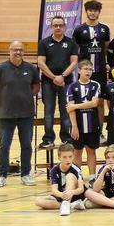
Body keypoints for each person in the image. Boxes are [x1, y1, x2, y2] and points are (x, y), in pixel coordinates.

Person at [0, 41, 41, 187]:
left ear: (24, 52)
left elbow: (36, 87)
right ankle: (2, 175)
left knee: (26, 145)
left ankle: (25, 174)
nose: (18, 52)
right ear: (9, 51)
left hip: (26, 114)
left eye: (20, 50)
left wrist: (24, 96)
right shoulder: (0, 69)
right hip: (5, 114)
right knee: (4, 145)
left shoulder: (30, 69)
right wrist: (4, 99)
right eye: (15, 49)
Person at [36, 16, 79, 149]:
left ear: (65, 26)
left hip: (66, 82)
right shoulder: (44, 43)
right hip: (48, 82)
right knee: (48, 110)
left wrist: (62, 76)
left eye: (61, 25)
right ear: (51, 27)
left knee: (65, 110)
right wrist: (54, 77)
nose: (58, 27)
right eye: (55, 25)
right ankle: (48, 139)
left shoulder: (71, 43)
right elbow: (41, 63)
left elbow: (74, 62)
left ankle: (66, 138)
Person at [65, 59, 103, 175]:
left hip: (92, 124)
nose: (88, 71)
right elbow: (70, 110)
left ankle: (92, 176)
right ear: (79, 71)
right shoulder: (72, 87)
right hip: (78, 126)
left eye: (90, 69)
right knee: (77, 152)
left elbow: (94, 103)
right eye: (85, 69)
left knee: (91, 151)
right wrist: (74, 126)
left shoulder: (95, 85)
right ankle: (78, 176)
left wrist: (75, 106)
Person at [35, 143, 85, 216]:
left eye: (70, 157)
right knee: (38, 201)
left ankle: (67, 204)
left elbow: (81, 189)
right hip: (62, 196)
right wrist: (61, 195)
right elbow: (54, 190)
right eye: (64, 157)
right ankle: (70, 205)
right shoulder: (54, 170)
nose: (68, 160)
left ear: (73, 156)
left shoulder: (76, 169)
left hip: (74, 195)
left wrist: (71, 192)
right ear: (59, 158)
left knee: (70, 176)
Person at [82, 144, 114, 210]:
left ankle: (103, 203)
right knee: (88, 192)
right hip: (108, 193)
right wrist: (103, 172)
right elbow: (96, 189)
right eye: (107, 158)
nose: (110, 160)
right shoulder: (104, 167)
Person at [71, 0, 110, 78]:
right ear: (86, 11)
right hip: (84, 68)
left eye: (95, 11)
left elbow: (106, 46)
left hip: (100, 68)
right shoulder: (79, 29)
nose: (92, 13)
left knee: (100, 89)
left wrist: (106, 63)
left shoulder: (105, 28)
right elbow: (75, 48)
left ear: (99, 12)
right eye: (90, 10)